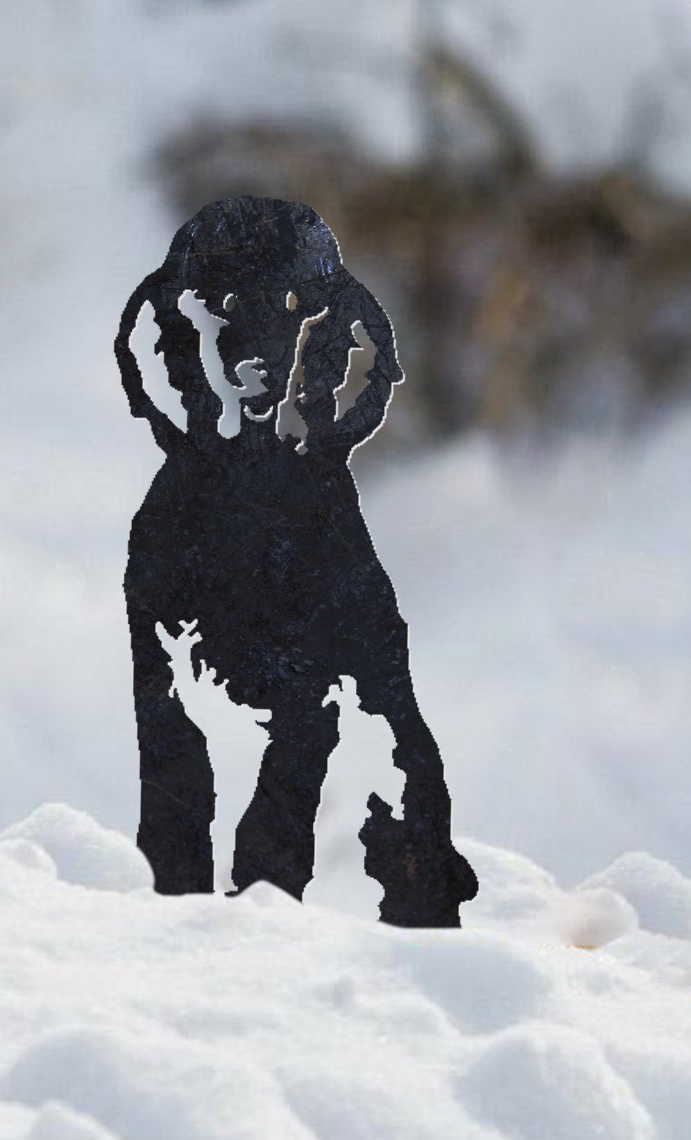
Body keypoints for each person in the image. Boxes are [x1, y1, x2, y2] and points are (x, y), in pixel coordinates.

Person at [115, 196, 478, 927]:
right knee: (173, 729)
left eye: (285, 306)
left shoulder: (322, 518)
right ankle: (177, 915)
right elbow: (168, 737)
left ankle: (397, 903)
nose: (253, 343)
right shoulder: (164, 528)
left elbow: (344, 719)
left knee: (356, 733)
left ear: (331, 328)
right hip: (193, 536)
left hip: (361, 879)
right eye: (221, 307)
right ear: (177, 324)